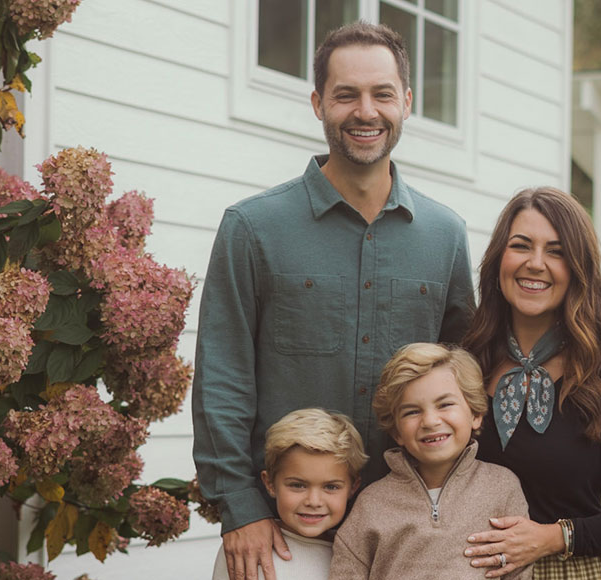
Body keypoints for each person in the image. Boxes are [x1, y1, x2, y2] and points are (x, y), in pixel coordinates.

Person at [192, 21, 475, 580]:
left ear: (407, 102)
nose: (365, 111)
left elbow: (469, 375)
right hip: (281, 539)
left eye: (382, 94)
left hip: (407, 538)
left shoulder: (446, 236)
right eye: (346, 94)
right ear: (318, 103)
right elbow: (222, 377)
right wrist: (240, 506)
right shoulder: (252, 228)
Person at [460, 187, 601, 579]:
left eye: (556, 251)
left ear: (578, 269)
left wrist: (554, 537)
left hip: (575, 571)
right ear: (498, 260)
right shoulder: (465, 369)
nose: (535, 263)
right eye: (521, 246)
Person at [329, 343, 533, 579]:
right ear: (396, 432)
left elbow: (520, 570)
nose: (430, 421)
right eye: (412, 412)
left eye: (445, 404)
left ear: (475, 414)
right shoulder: (371, 503)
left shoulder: (502, 487)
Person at [212, 409, 367, 580]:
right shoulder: (247, 548)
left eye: (331, 487)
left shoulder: (359, 554)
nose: (313, 501)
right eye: (298, 485)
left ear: (353, 487)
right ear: (270, 483)